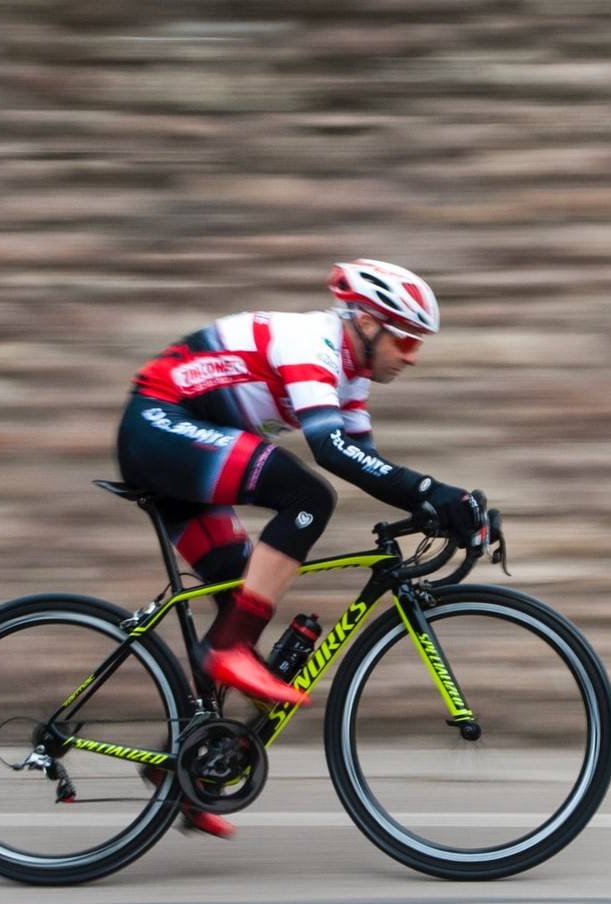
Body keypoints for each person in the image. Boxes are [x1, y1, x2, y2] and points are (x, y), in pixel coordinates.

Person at [116, 260, 490, 838]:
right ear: (366, 323)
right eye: (406, 338)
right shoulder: (308, 342)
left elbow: (369, 465)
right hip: (158, 425)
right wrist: (432, 492)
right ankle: (231, 650)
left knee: (240, 587)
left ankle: (188, 768)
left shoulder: (351, 377)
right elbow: (331, 451)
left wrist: (439, 508)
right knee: (307, 495)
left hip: (180, 440)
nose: (413, 355)